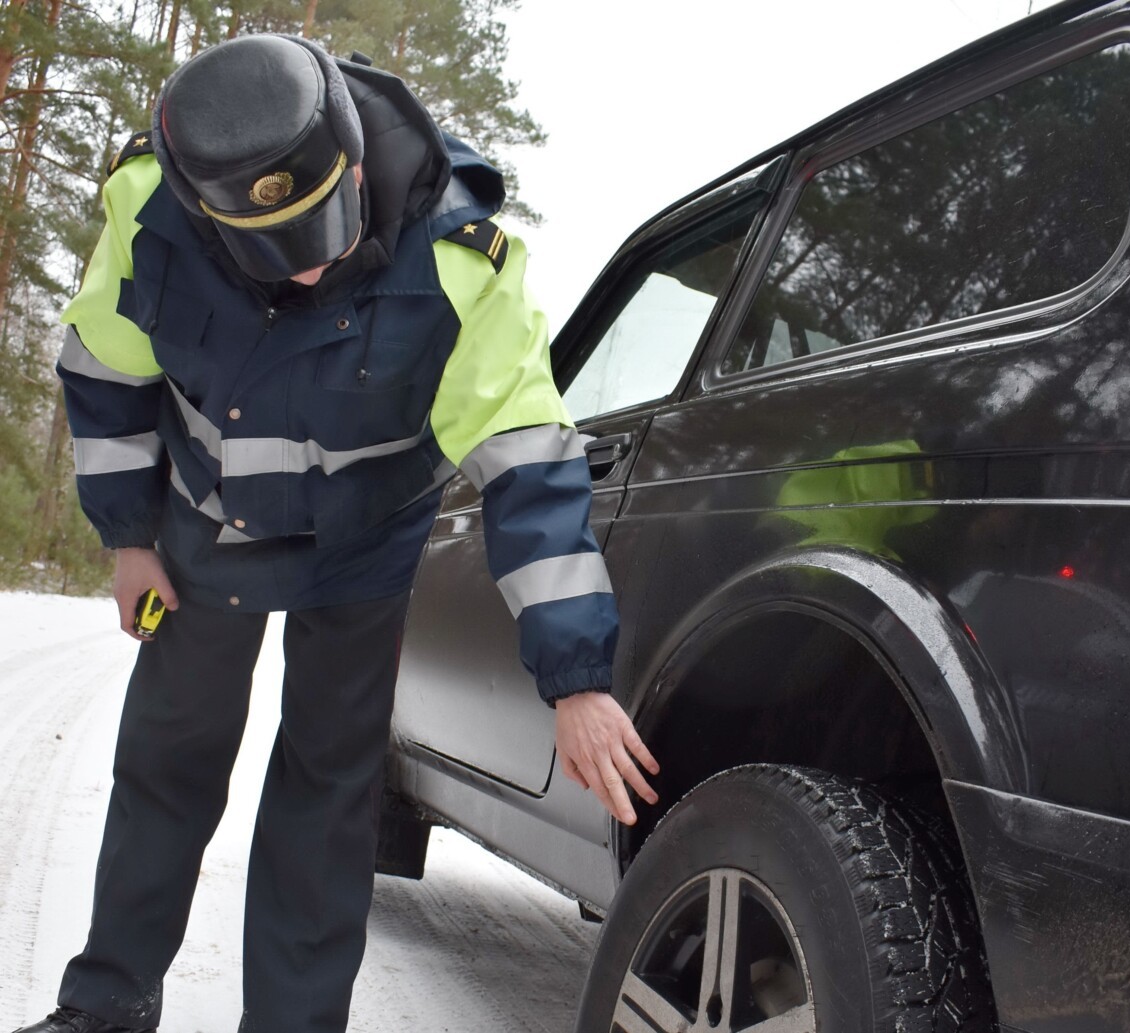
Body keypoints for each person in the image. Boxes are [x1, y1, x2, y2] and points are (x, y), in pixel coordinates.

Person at [11, 32, 659, 1033]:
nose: (304, 277)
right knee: (165, 760)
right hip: (203, 528)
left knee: (327, 793)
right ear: (197, 206)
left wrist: (575, 675)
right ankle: (106, 1003)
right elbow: (105, 376)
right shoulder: (150, 210)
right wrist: (126, 535)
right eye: (266, 250)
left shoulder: (462, 264)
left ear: (355, 166)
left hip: (360, 550)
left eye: (319, 237)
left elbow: (529, 467)